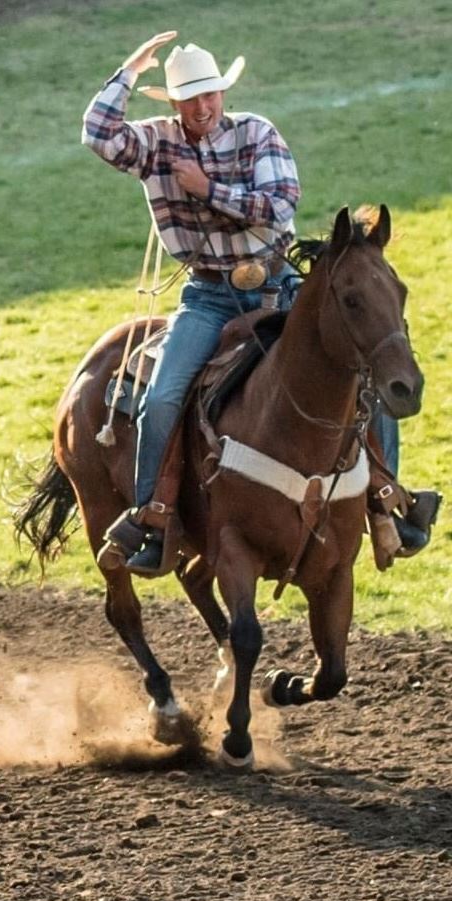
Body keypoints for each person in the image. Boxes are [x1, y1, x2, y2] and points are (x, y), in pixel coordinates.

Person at [82, 33, 436, 572]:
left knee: (363, 375)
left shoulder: (256, 133)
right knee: (163, 394)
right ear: (174, 104)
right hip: (210, 296)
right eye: (191, 99)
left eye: (210, 96)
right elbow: (99, 135)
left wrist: (206, 189)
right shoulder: (155, 143)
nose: (203, 107)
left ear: (222, 94)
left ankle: (387, 502)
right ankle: (155, 517)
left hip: (283, 289)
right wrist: (130, 70)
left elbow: (278, 206)